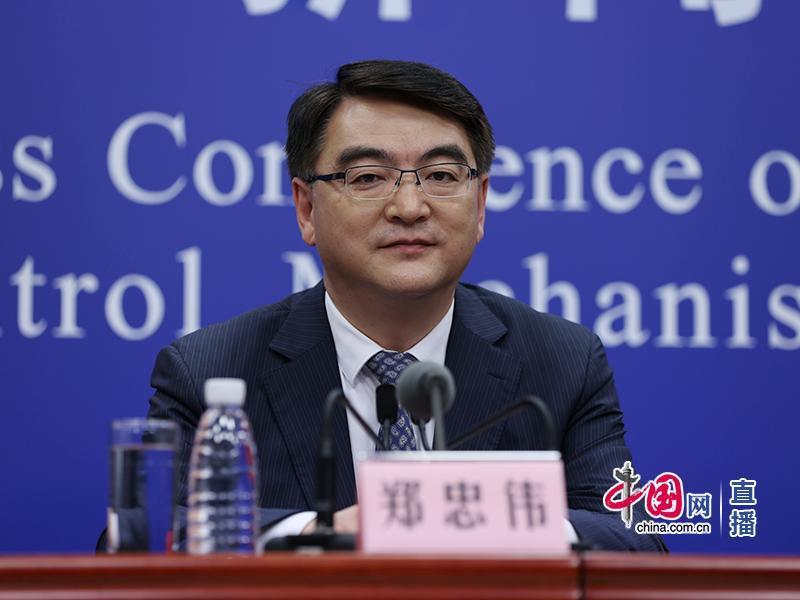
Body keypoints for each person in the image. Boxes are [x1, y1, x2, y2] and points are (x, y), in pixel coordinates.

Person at [148, 60, 666, 552]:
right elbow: (147, 539)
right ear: (306, 209)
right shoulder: (209, 369)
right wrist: (317, 535)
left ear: (480, 204)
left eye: (441, 176)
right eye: (367, 177)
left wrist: (491, 523)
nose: (410, 208)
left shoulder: (564, 362)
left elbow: (636, 539)